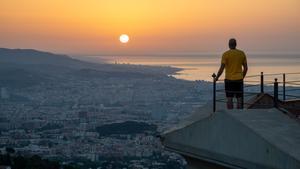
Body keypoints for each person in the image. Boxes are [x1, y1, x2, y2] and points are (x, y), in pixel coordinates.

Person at [215, 38, 248, 109]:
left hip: (229, 79)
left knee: (229, 98)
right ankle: (239, 113)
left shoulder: (225, 54)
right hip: (239, 79)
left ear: (229, 45)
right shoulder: (241, 53)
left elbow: (222, 68)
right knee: (239, 98)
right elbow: (245, 68)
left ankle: (231, 112)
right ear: (236, 44)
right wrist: (242, 76)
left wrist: (217, 77)